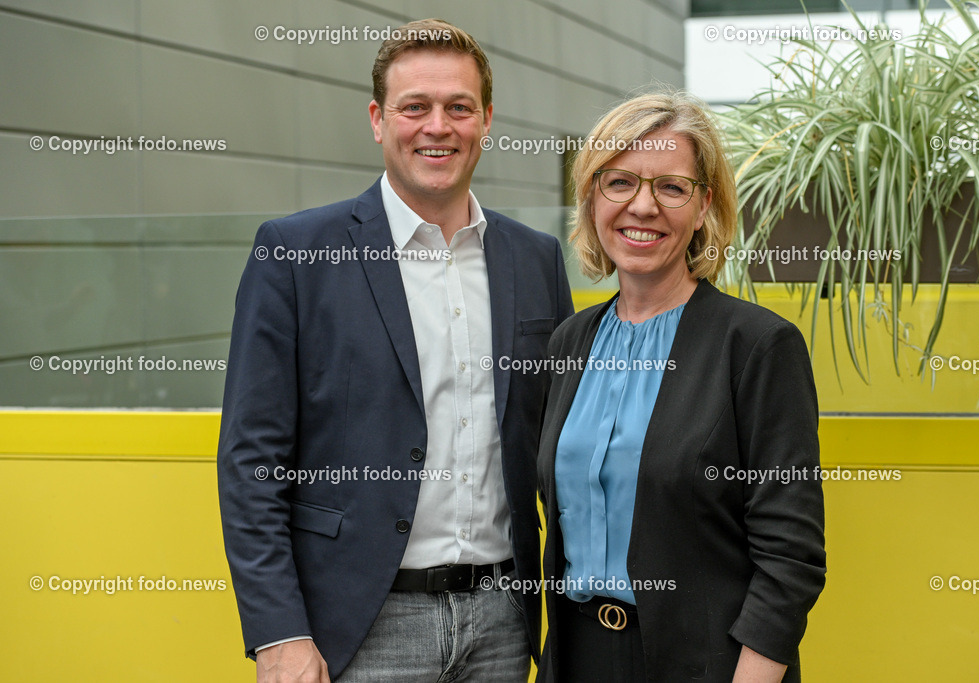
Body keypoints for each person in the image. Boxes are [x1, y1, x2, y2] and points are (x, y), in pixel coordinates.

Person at [218, 18, 574, 683]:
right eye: (416, 107)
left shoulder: (536, 259)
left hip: (504, 622)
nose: (437, 126)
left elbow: (558, 444)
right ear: (379, 120)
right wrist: (279, 632)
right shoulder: (295, 255)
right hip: (358, 627)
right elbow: (251, 461)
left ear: (486, 120)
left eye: (458, 107)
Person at [536, 91, 826, 682]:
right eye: (619, 183)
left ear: (704, 207)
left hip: (707, 663)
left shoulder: (757, 346)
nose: (643, 207)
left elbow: (791, 553)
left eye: (671, 187)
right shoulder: (571, 341)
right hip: (576, 657)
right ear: (592, 197)